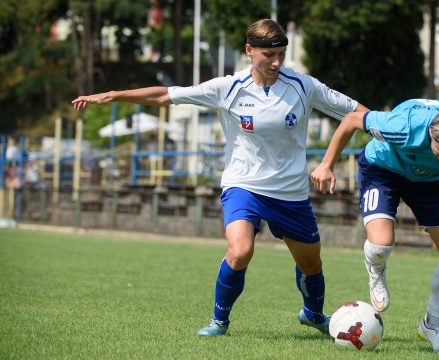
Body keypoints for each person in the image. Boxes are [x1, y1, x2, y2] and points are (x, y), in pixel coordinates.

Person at [72, 19, 368, 337]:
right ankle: (219, 321)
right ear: (249, 50)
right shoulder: (227, 88)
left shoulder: (303, 86)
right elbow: (165, 96)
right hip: (243, 187)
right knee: (240, 250)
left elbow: (355, 111)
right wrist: (113, 95)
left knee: (311, 264)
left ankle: (312, 314)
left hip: (291, 193)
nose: (277, 62)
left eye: (281, 54)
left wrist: (392, 130)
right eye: (269, 55)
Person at [310, 99, 439, 353]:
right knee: (381, 243)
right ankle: (376, 268)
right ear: (431, 137)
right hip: (383, 169)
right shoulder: (403, 127)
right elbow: (350, 120)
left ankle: (432, 326)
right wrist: (326, 164)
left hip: (430, 182)